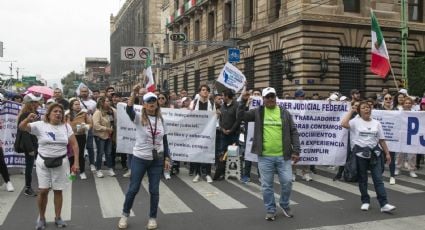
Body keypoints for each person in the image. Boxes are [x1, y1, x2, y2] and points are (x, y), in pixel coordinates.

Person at [238, 87, 300, 221]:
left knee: (288, 181)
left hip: (283, 156)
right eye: (268, 97)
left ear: (276, 97)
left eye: (273, 96)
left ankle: (284, 204)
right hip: (265, 157)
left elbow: (293, 131)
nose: (271, 99)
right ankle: (271, 209)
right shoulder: (258, 112)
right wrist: (243, 101)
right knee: (266, 185)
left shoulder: (284, 113)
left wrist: (296, 150)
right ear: (263, 99)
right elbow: (241, 116)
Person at [118, 85, 171, 229]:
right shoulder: (138, 118)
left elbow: (164, 140)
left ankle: (152, 218)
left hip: (157, 160)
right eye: (149, 101)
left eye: (154, 101)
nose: (152, 103)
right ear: (144, 104)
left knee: (154, 190)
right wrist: (134, 93)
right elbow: (128, 109)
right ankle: (124, 215)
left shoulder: (162, 120)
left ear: (157, 103)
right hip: (140, 158)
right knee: (133, 188)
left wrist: (167, 158)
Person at [19, 103, 79, 229]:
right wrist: (27, 119)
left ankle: (58, 217)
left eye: (60, 112)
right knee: (43, 191)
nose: (58, 114)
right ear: (48, 114)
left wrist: (76, 162)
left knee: (58, 190)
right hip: (43, 162)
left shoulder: (66, 127)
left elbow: (74, 145)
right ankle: (41, 218)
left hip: (61, 162)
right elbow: (22, 127)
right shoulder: (40, 125)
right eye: (55, 111)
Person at [341, 101, 396, 213]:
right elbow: (343, 124)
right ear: (359, 111)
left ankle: (384, 204)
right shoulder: (355, 122)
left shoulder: (377, 123)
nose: (367, 109)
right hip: (360, 155)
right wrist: (351, 110)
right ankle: (365, 201)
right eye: (364, 108)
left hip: (375, 155)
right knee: (363, 179)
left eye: (368, 107)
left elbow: (381, 140)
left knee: (378, 179)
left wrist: (387, 153)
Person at [17, 93, 42, 196]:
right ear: (29, 103)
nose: (37, 104)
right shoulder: (24, 115)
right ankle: (28, 188)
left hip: (37, 143)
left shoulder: (35, 113)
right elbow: (24, 133)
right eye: (34, 102)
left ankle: (44, 185)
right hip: (30, 145)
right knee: (30, 166)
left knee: (41, 163)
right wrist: (30, 148)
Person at [190, 85, 216, 183]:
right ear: (199, 92)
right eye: (203, 90)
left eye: (207, 90)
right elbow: (189, 115)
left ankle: (208, 174)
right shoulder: (194, 103)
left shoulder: (212, 103)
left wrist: (216, 114)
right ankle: (197, 173)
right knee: (197, 152)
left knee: (207, 152)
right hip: (197, 131)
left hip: (208, 132)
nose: (205, 92)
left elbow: (214, 117)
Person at [66, 98, 92, 180]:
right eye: (75, 104)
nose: (78, 106)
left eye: (78, 104)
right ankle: (72, 172)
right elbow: (62, 124)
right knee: (71, 154)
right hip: (70, 136)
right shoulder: (67, 114)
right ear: (71, 106)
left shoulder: (84, 113)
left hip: (81, 136)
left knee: (80, 154)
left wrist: (85, 127)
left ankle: (82, 172)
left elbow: (90, 123)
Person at [92, 96, 116, 178]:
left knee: (108, 153)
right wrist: (106, 129)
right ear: (102, 103)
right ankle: (98, 170)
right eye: (107, 101)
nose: (109, 102)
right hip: (100, 136)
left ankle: (110, 169)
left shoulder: (109, 112)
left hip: (108, 136)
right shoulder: (97, 112)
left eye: (109, 101)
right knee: (100, 153)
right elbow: (96, 125)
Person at [395, 97, 418, 178]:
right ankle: (398, 168)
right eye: (406, 103)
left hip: (412, 135)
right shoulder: (399, 112)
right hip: (401, 135)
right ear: (403, 104)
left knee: (412, 154)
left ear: (411, 104)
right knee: (399, 153)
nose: (408, 104)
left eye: (409, 103)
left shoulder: (415, 112)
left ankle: (412, 169)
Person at [78, 86, 97, 172]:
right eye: (82, 91)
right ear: (80, 92)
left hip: (88, 126)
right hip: (78, 127)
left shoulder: (93, 103)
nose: (84, 93)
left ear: (88, 92)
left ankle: (92, 163)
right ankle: (77, 164)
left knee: (90, 146)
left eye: (85, 91)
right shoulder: (77, 102)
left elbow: (95, 114)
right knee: (79, 147)